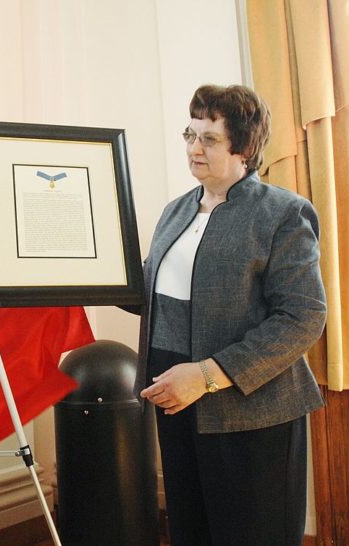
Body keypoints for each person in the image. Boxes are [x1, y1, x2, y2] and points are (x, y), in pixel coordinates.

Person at [136, 84, 326, 545]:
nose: (192, 148)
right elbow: (152, 293)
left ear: (243, 147)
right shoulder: (175, 210)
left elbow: (302, 316)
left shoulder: (283, 213)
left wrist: (205, 375)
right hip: (176, 404)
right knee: (191, 531)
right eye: (189, 134)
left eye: (209, 139)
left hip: (252, 411)